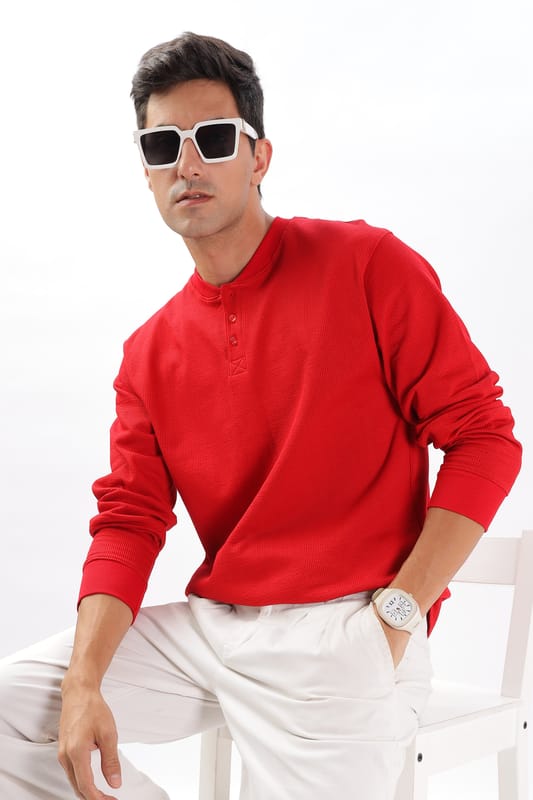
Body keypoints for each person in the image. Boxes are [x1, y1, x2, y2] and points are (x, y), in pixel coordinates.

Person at [0, 31, 522, 800]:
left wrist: (395, 616)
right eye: (162, 146)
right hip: (213, 630)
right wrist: (83, 682)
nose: (187, 164)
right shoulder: (148, 353)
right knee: (10, 710)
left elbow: (483, 438)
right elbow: (129, 522)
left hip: (347, 632)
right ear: (146, 172)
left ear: (259, 157)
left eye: (213, 138)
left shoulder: (366, 266)